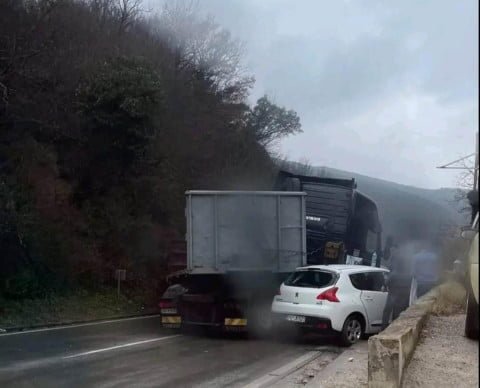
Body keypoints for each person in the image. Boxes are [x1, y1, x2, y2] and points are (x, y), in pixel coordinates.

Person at [381, 258, 411, 330]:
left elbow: (386, 282)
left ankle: (383, 328)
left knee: (386, 311)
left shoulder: (394, 274)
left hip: (392, 295)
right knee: (397, 313)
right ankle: (394, 329)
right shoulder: (407, 275)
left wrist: (385, 286)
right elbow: (409, 286)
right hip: (402, 297)